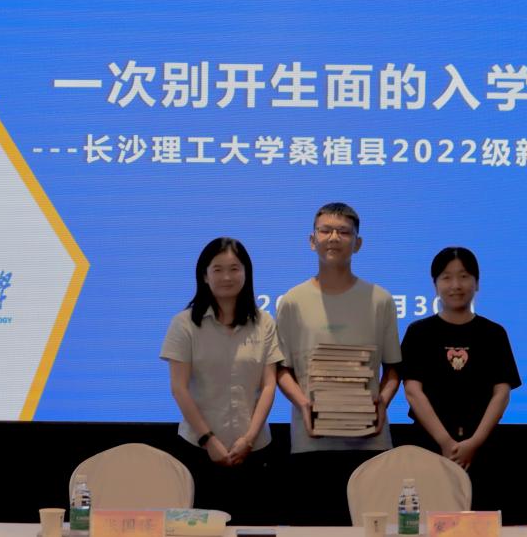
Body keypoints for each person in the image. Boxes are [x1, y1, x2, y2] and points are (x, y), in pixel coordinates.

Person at [275, 202, 402, 524]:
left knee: (373, 528)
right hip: (311, 441)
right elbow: (282, 370)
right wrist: (304, 405)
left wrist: (382, 403)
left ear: (358, 243)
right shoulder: (292, 301)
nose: (334, 238)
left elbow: (393, 368)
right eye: (326, 230)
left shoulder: (380, 300)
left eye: (344, 232)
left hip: (370, 441)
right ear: (312, 240)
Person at [160, 237, 282, 519]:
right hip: (198, 450)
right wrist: (209, 440)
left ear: (246, 273)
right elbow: (179, 388)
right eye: (217, 269)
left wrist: (248, 439)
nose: (227, 277)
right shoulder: (184, 324)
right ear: (204, 276)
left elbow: (269, 385)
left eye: (234, 269)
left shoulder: (264, 323)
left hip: (254, 450)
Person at [399, 246, 520, 508]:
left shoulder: (494, 333)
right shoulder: (419, 332)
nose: (456, 285)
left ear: (477, 283)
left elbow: (501, 392)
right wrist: (445, 442)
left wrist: (474, 443)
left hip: (483, 445)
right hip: (427, 445)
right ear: (435, 284)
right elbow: (412, 390)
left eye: (464, 276)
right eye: (446, 277)